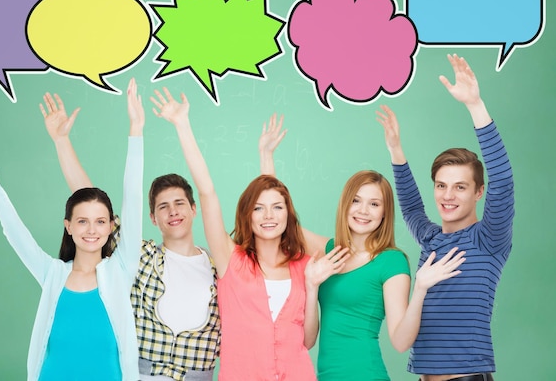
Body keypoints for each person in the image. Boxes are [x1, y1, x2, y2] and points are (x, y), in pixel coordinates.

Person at [150, 87, 349, 381]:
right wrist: (183, 125)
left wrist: (312, 286)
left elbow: (307, 341)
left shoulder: (305, 266)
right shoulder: (231, 260)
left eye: (277, 208)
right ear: (248, 216)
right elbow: (207, 193)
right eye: (258, 209)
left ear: (288, 214)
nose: (269, 216)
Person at [0, 78, 144, 381]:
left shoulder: (121, 269)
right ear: (68, 227)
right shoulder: (53, 273)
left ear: (111, 227)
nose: (91, 230)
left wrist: (136, 130)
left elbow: (133, 198)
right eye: (82, 221)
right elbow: (13, 229)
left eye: (100, 221)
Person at [259, 116, 466, 381]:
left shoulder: (391, 262)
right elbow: (281, 217)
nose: (363, 211)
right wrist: (266, 157)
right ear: (345, 205)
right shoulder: (330, 251)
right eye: (356, 201)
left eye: (374, 204)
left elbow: (401, 341)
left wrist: (421, 290)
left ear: (384, 213)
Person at [40, 90, 220, 380]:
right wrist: (61, 141)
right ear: (153, 218)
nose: (173, 212)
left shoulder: (218, 266)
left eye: (179, 204)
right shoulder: (139, 255)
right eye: (163, 206)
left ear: (194, 209)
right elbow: (90, 201)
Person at [377, 54, 514, 381]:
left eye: (459, 187)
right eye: (441, 185)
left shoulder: (489, 239)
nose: (448, 195)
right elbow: (411, 207)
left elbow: (504, 180)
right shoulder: (430, 238)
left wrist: (475, 105)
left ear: (479, 192)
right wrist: (396, 150)